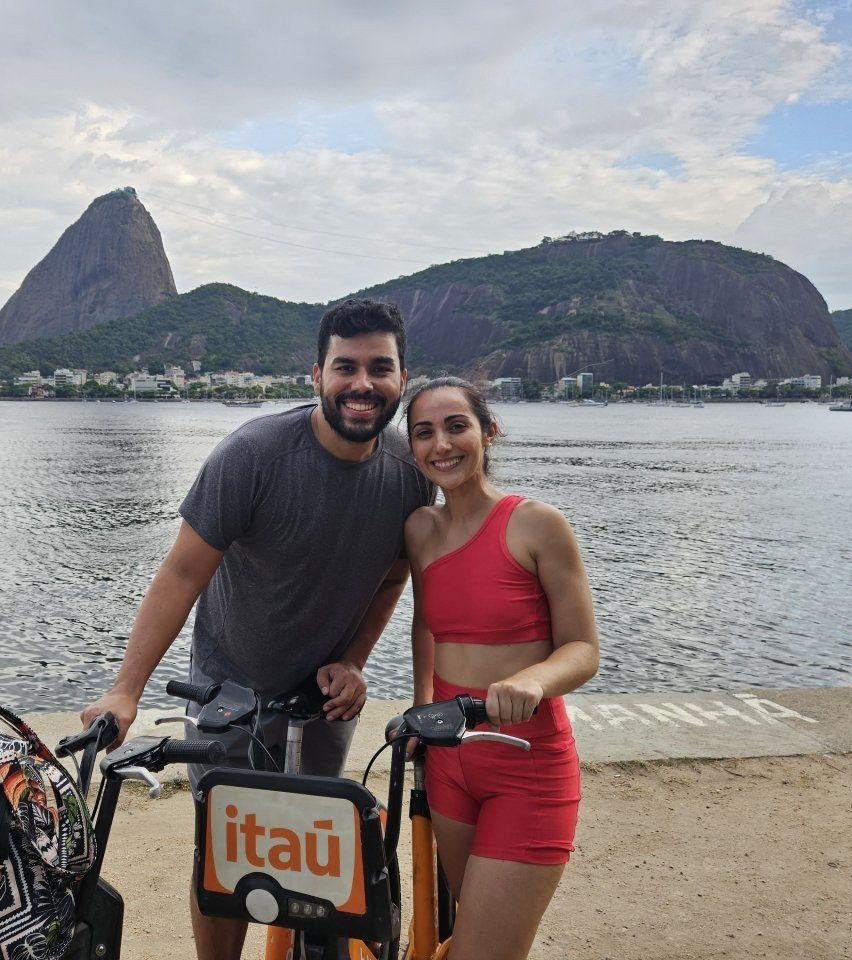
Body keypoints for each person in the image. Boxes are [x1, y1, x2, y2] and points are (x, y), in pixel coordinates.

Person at [79, 298, 434, 960]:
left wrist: (355, 661)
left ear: (402, 378)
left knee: (312, 848)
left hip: (323, 700)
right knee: (228, 856)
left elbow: (393, 578)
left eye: (379, 367)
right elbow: (182, 574)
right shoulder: (254, 455)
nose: (362, 383)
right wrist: (126, 690)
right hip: (228, 691)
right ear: (317, 375)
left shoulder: (411, 475)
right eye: (345, 367)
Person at [403, 377, 600, 960]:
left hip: (527, 764)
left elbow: (583, 648)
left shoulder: (537, 524)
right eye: (424, 432)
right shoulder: (420, 529)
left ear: (488, 432)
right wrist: (421, 707)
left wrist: (533, 679)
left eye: (456, 426)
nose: (442, 444)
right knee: (472, 933)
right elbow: (426, 624)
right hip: (450, 761)